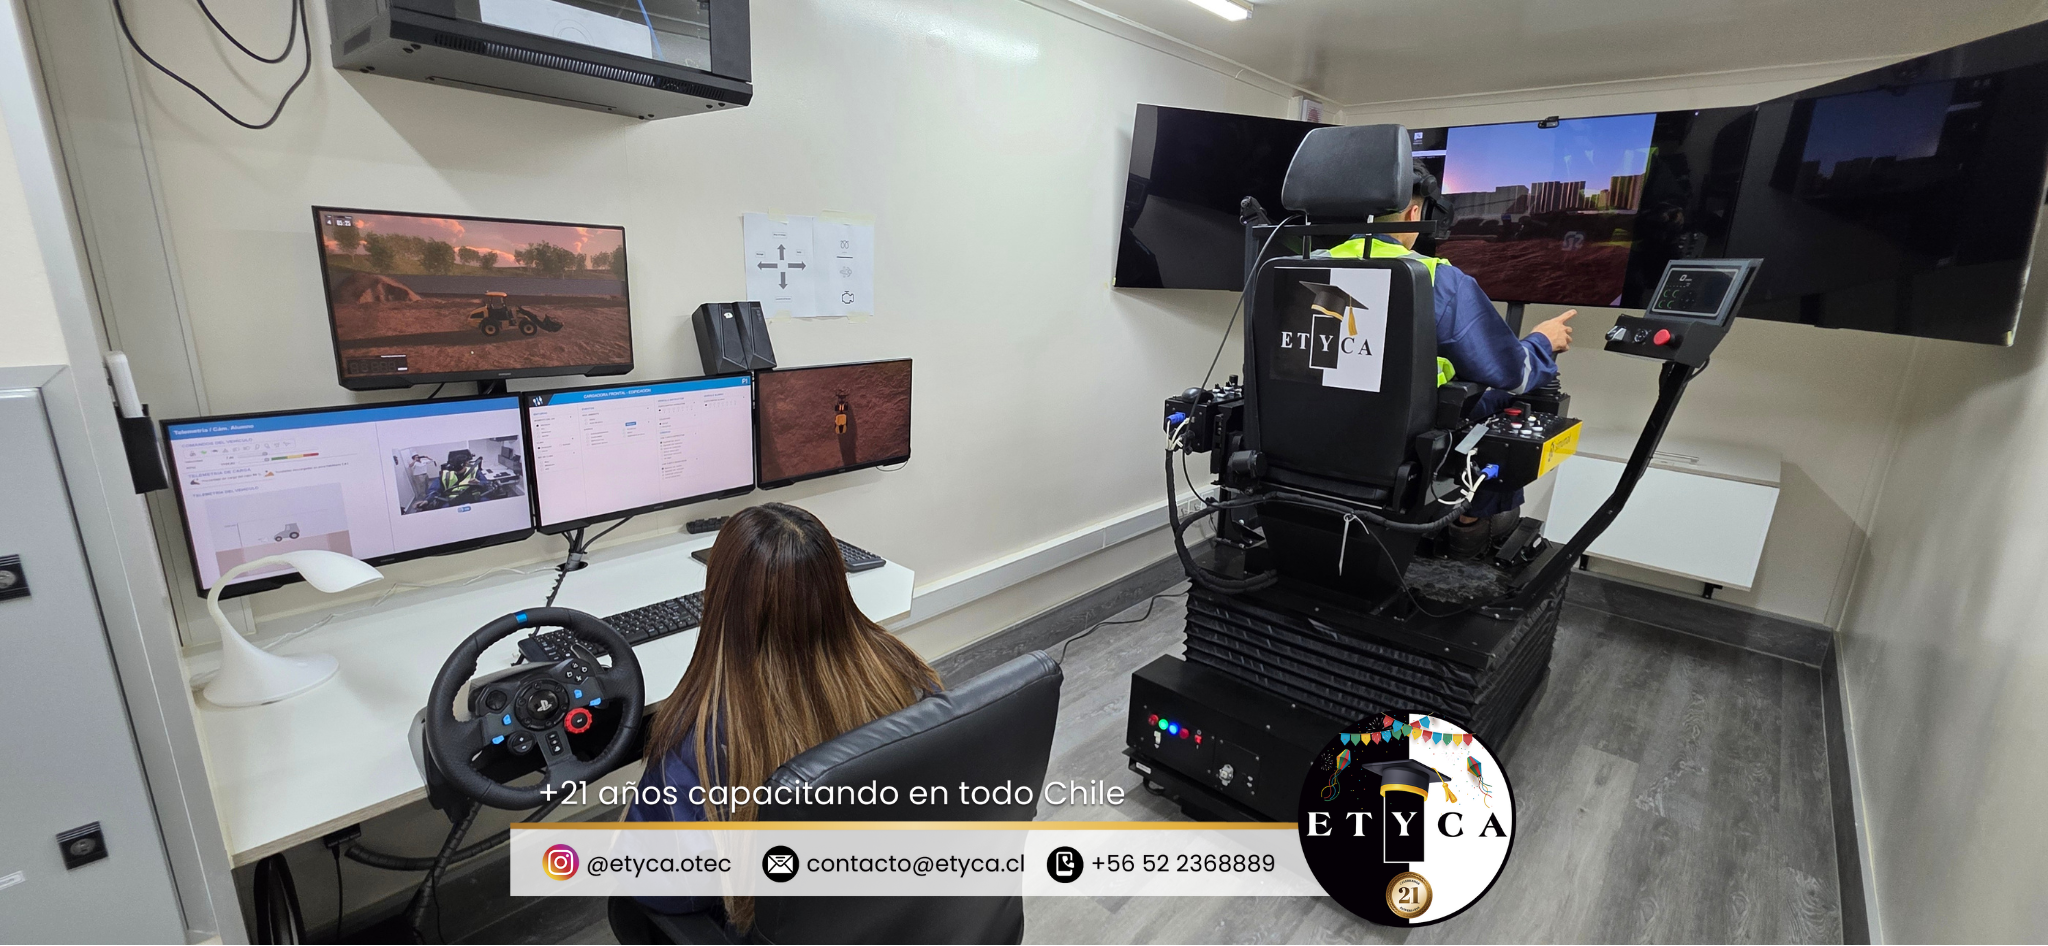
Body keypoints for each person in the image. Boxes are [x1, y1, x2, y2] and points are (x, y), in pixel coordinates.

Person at [627, 503, 940, 929]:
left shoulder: (700, 744)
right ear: (836, 584)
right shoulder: (906, 676)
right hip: (898, 913)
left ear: (718, 601)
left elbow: (660, 885)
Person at [1321, 163, 1576, 558]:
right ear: (1414, 213)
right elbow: (1512, 371)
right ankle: (1470, 522)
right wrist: (1544, 341)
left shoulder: (1307, 263)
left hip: (1320, 435)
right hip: (1406, 444)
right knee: (1505, 396)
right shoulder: (1435, 278)